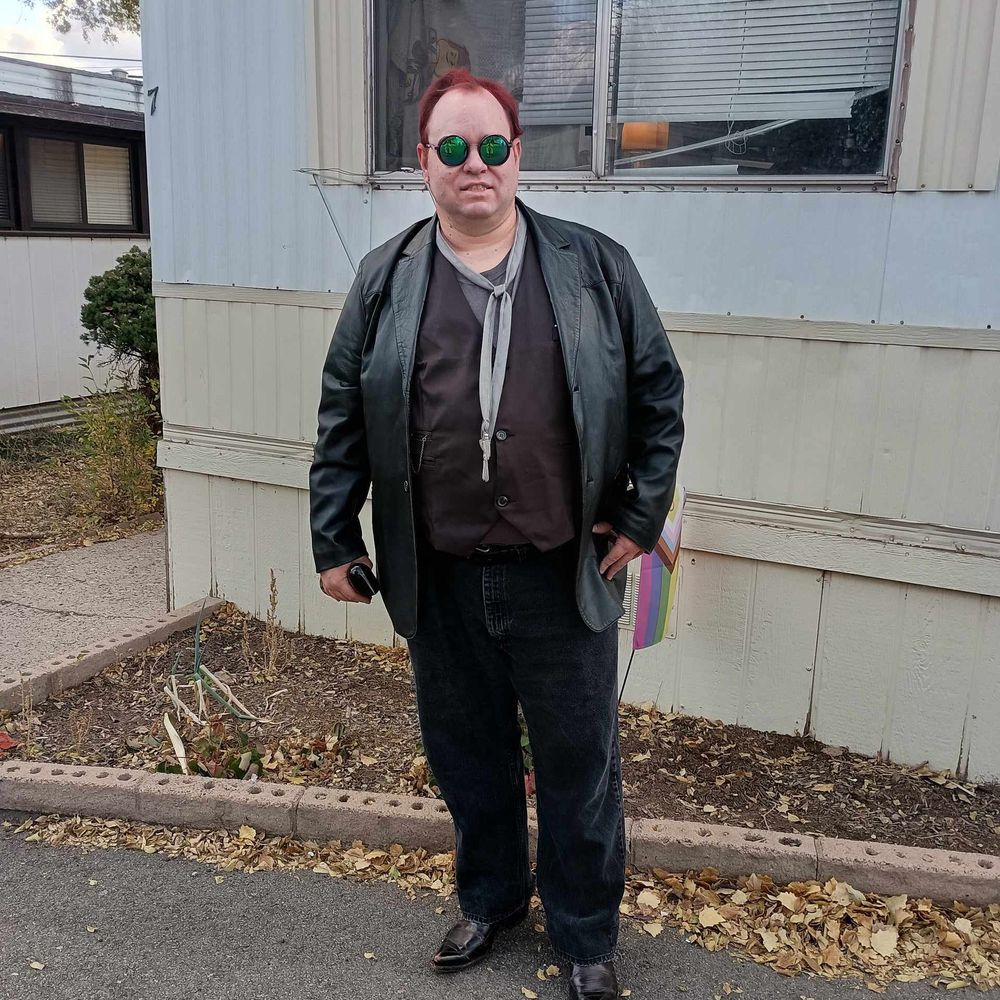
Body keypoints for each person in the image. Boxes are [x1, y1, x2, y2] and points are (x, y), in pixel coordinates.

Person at [310, 68, 684, 1000]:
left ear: (516, 156)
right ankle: (492, 900)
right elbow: (342, 418)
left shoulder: (596, 267)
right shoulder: (385, 279)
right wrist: (332, 538)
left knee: (577, 767)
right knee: (467, 759)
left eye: (490, 147)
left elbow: (658, 398)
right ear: (421, 164)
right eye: (451, 149)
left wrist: (640, 518)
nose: (472, 165)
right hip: (437, 574)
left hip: (565, 570)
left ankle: (586, 934)